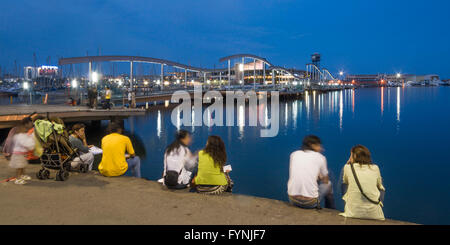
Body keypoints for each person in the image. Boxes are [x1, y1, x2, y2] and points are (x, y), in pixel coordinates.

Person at [287, 135, 335, 209]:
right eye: (319, 146)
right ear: (312, 145)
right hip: (310, 203)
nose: (321, 148)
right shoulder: (321, 157)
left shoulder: (294, 154)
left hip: (292, 200)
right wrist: (320, 177)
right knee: (329, 185)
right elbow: (326, 181)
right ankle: (331, 210)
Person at [339, 145, 386, 220]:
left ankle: (349, 207)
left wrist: (348, 164)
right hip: (374, 213)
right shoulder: (375, 168)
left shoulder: (347, 167)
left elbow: (344, 183)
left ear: (354, 156)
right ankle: (377, 206)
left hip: (352, 213)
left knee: (345, 183)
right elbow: (380, 186)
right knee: (381, 186)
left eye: (350, 155)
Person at [9, 120, 36, 184]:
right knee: (19, 167)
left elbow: (28, 139)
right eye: (25, 128)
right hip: (18, 155)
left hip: (22, 154)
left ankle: (22, 175)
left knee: (23, 166)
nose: (27, 129)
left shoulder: (22, 135)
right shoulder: (19, 136)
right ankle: (18, 179)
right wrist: (32, 143)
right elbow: (26, 143)